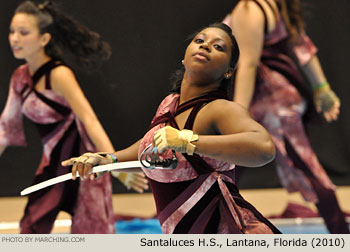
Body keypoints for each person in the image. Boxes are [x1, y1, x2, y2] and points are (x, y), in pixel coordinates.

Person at [63, 23, 281, 234]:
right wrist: (107, 161)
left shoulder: (220, 110)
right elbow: (153, 150)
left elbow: (264, 148)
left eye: (218, 47)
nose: (205, 46)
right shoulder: (169, 104)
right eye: (200, 41)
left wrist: (188, 141)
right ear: (184, 58)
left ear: (228, 72)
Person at [0, 1, 148, 234]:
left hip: (84, 167)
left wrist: (113, 164)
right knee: (29, 231)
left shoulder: (59, 75)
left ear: (44, 39)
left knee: (92, 237)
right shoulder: (19, 78)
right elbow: (5, 130)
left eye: (23, 32)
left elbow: (89, 120)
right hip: (52, 169)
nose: (14, 38)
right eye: (12, 31)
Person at [223, 0, 349, 233]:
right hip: (277, 100)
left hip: (272, 104)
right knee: (227, 167)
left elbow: (248, 64)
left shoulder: (251, 8)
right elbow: (303, 47)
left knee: (306, 168)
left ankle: (341, 233)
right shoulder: (276, 4)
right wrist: (321, 87)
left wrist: (236, 115)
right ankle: (211, 223)